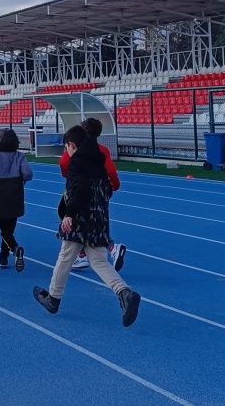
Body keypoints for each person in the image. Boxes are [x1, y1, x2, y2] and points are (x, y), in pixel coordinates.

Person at [34, 125, 141, 327]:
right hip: (100, 220)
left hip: (80, 221)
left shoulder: (76, 163)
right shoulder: (99, 162)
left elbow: (80, 191)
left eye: (66, 147)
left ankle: (53, 299)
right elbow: (107, 191)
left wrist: (70, 214)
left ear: (71, 145)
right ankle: (124, 292)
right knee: (99, 261)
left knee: (65, 257)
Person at [59, 117, 127, 271]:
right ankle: (84, 254)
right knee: (96, 221)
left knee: (75, 218)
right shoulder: (102, 150)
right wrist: (113, 186)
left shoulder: (76, 149)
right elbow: (110, 170)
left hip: (78, 188)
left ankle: (107, 248)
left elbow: (63, 163)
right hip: (100, 191)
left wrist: (70, 176)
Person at [0, 128, 33, 272]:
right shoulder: (19, 156)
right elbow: (28, 174)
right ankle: (3, 257)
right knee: (9, 227)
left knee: (3, 229)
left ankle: (15, 248)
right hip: (15, 194)